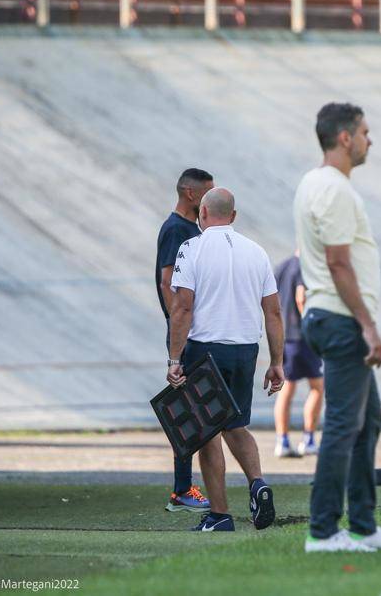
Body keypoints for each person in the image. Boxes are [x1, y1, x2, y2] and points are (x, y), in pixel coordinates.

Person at [295, 102, 381, 552]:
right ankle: (323, 532)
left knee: (368, 420)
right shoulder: (334, 189)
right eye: (365, 131)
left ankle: (363, 525)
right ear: (344, 138)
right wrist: (369, 326)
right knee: (344, 425)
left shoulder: (316, 183)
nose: (369, 139)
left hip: (331, 316)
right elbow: (338, 262)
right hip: (342, 320)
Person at [166, 187, 285, 532]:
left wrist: (175, 358)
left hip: (206, 348)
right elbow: (273, 312)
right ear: (233, 216)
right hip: (246, 347)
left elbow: (183, 307)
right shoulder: (257, 251)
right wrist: (277, 362)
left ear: (202, 213)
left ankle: (219, 515)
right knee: (235, 423)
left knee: (206, 433)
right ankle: (258, 483)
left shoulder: (191, 248)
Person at [156, 167, 214, 513]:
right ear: (192, 194)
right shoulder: (176, 229)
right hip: (185, 332)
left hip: (189, 328)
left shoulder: (190, 228)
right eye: (208, 192)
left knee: (197, 409)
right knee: (188, 411)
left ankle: (184, 487)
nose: (211, 197)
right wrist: (179, 324)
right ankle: (181, 489)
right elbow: (168, 282)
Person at [273, 250, 324, 458]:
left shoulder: (282, 266)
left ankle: (282, 441)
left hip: (284, 336)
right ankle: (309, 440)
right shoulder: (305, 265)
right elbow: (301, 297)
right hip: (302, 337)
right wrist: (311, 326)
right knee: (317, 387)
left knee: (286, 389)